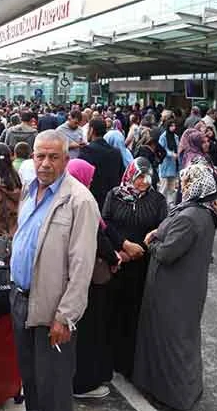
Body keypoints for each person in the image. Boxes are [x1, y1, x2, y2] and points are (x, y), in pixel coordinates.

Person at [10, 130, 100, 411]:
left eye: (53, 157)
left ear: (66, 159)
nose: (45, 163)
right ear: (32, 157)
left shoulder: (80, 201)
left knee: (54, 388)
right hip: (21, 301)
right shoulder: (28, 189)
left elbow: (82, 266)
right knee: (31, 380)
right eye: (40, 156)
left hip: (53, 311)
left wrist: (65, 316)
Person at [132, 163, 217, 411]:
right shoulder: (203, 211)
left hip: (173, 289)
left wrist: (151, 242)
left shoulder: (189, 218)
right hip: (187, 287)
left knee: (170, 341)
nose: (183, 186)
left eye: (188, 182)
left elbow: (168, 253)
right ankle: (178, 390)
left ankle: (173, 395)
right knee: (180, 339)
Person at [101, 157, 167, 381]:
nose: (142, 182)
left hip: (142, 263)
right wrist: (122, 246)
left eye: (147, 178)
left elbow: (161, 227)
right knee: (111, 310)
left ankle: (127, 362)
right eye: (139, 177)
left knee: (134, 312)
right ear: (130, 175)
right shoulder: (114, 195)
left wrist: (143, 247)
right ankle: (106, 359)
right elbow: (105, 223)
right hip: (118, 260)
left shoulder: (157, 200)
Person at [66, 159, 119, 399]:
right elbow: (97, 236)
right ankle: (83, 384)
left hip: (67, 277)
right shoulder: (83, 203)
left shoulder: (62, 197)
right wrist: (114, 257)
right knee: (87, 331)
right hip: (86, 279)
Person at [78, 118, 123, 209]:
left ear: (91, 130)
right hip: (111, 201)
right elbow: (121, 174)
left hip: (92, 200)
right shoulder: (116, 152)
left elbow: (81, 178)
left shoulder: (87, 151)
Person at [158, 120, 180, 208]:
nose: (173, 127)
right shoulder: (163, 137)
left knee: (172, 186)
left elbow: (178, 146)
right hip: (165, 163)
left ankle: (170, 203)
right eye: (171, 126)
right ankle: (160, 203)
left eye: (174, 125)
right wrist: (171, 154)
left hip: (174, 164)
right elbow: (161, 149)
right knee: (164, 185)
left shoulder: (175, 137)